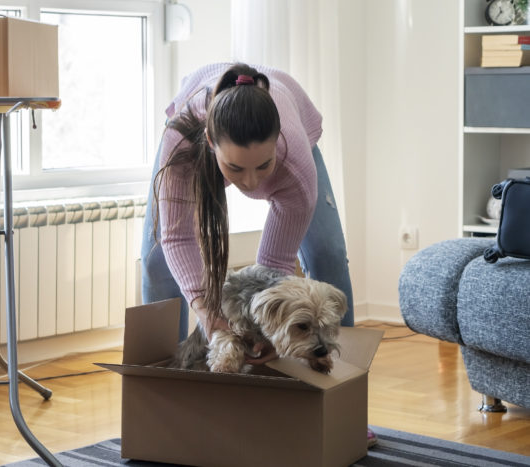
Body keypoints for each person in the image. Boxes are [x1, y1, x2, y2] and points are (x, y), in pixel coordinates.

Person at [140, 62, 377, 447]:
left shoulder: (293, 162)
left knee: (328, 253)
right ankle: (161, 405)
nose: (252, 184)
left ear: (277, 144)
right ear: (211, 143)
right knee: (155, 260)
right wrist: (208, 314)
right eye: (236, 169)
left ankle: (343, 404)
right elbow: (178, 237)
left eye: (262, 167)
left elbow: (273, 269)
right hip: (193, 140)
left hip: (290, 132)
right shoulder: (183, 139)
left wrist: (269, 333)